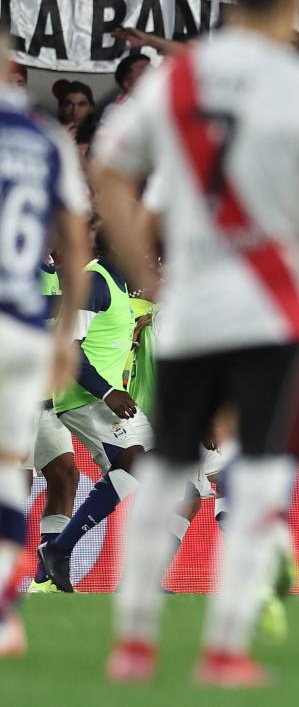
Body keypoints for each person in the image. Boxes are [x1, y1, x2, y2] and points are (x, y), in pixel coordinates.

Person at [92, 0, 299, 686]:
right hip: (269, 310)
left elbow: (108, 171)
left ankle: (132, 644)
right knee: (255, 475)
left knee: (166, 472)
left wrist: (142, 271)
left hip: (189, 304)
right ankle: (223, 650)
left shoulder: (181, 74)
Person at [0, 36, 90, 657]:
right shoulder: (45, 139)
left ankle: (35, 585)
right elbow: (75, 238)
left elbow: (72, 245)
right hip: (25, 329)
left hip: (24, 329)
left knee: (45, 472)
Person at [35, 253, 148, 592]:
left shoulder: (60, 271)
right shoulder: (19, 262)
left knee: (64, 476)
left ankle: (47, 577)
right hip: (22, 389)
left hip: (50, 391)